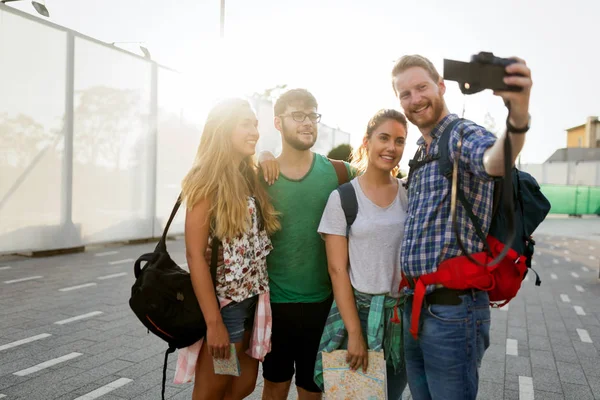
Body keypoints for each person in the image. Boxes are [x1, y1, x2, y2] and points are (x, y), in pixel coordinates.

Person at [391, 54, 532, 400]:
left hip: (453, 312)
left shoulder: (459, 134)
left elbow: (494, 161)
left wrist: (517, 116)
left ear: (440, 87)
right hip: (417, 304)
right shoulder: (422, 151)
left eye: (421, 87)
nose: (415, 99)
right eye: (404, 94)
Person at [174, 98, 280, 400]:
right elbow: (194, 254)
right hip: (226, 308)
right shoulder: (206, 180)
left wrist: (269, 154)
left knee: (243, 386)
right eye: (246, 124)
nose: (255, 132)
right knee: (214, 390)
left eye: (256, 124)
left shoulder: (249, 176)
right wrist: (214, 324)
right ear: (223, 130)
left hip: (254, 303)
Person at [258, 88, 354, 400]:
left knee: (312, 389)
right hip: (275, 305)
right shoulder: (260, 175)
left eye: (313, 115)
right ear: (277, 122)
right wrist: (262, 153)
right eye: (298, 115)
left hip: (326, 306)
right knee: (274, 385)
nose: (308, 122)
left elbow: (383, 185)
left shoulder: (338, 173)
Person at [314, 109, 409, 399]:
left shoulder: (410, 194)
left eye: (400, 140)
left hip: (401, 317)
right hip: (358, 316)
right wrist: (355, 333)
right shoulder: (343, 198)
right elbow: (337, 270)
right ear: (366, 141)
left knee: (391, 395)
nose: (391, 147)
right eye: (384, 138)